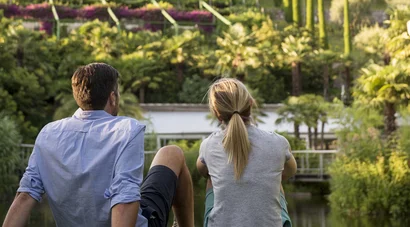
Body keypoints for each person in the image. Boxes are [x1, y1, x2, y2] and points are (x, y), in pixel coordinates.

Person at [3, 63, 194, 227]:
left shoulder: (48, 133)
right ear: (112, 97)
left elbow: (25, 195)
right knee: (172, 153)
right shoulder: (126, 129)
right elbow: (124, 198)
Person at [196, 78, 297, 226]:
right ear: (250, 103)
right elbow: (290, 171)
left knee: (211, 177)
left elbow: (202, 170)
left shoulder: (209, 145)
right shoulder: (278, 143)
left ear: (217, 114)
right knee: (277, 176)